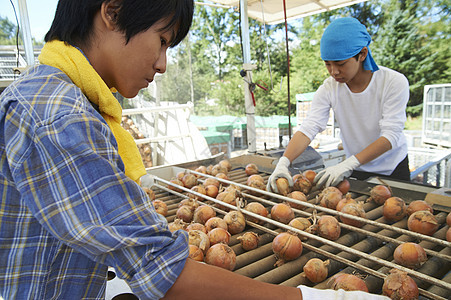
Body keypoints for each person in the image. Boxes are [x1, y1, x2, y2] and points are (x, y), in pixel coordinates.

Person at [0, 1, 390, 298]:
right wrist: (304, 296)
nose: (163, 64)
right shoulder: (60, 116)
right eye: (163, 40)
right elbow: (160, 272)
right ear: (113, 12)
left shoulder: (58, 98)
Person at [268, 17, 411, 193]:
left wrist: (349, 163)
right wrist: (284, 161)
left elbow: (390, 136)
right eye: (327, 64)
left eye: (341, 64)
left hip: (393, 169)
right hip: (356, 169)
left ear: (363, 54)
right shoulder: (330, 87)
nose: (334, 72)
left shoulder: (393, 82)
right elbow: (309, 127)